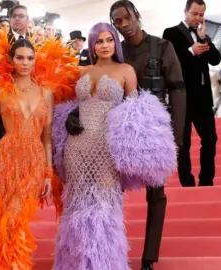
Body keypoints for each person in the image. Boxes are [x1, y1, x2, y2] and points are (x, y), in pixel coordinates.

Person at [53, 23, 176, 270]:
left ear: (115, 43)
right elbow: (72, 102)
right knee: (77, 207)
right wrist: (70, 114)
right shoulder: (82, 71)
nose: (105, 45)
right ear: (92, 45)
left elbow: (134, 113)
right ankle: (76, 264)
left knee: (105, 207)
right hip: (77, 147)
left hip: (107, 149)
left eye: (109, 40)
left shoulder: (126, 70)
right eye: (99, 41)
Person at [0, 27, 79, 269]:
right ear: (11, 60)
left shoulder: (47, 93)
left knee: (15, 217)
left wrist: (47, 173)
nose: (25, 62)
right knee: (5, 220)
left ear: (35, 60)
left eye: (30, 57)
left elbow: (46, 139)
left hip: (33, 160)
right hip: (5, 157)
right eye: (20, 57)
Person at [110, 1, 187, 269]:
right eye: (117, 21)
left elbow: (177, 89)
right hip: (120, 133)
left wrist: (176, 136)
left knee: (156, 194)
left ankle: (149, 258)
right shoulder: (114, 53)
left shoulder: (162, 47)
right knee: (111, 192)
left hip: (154, 133)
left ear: (136, 16)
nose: (124, 24)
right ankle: (111, 251)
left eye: (127, 17)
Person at [162, 0, 221, 187]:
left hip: (203, 99)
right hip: (182, 98)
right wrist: (190, 51)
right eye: (194, 14)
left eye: (201, 15)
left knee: (210, 140)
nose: (197, 18)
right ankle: (187, 183)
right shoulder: (170, 33)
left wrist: (204, 40)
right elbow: (168, 62)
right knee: (183, 144)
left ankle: (206, 181)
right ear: (185, 11)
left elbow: (215, 60)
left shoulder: (202, 34)